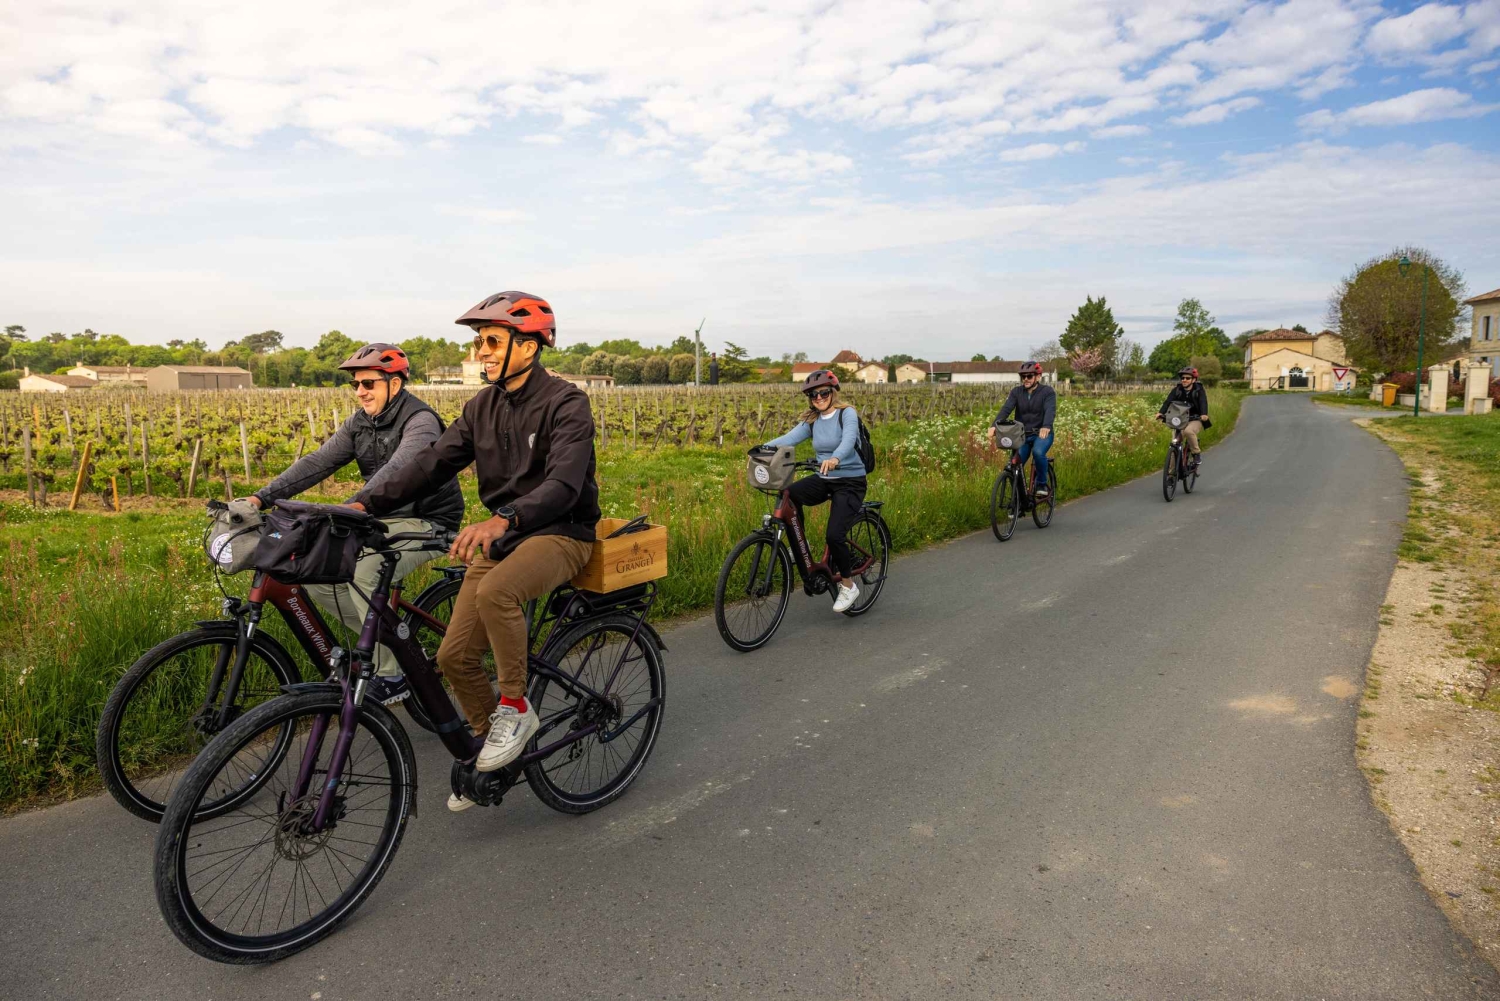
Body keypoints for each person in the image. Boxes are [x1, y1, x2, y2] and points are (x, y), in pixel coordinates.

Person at [350, 291, 601, 812]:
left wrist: (504, 517)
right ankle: (495, 750)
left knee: (497, 591)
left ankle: (516, 707)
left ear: (528, 347)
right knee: (453, 657)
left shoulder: (566, 402)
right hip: (506, 536)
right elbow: (430, 465)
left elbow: (564, 485)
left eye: (491, 341)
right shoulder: (481, 406)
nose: (480, 352)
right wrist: (363, 504)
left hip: (561, 531)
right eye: (478, 343)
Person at [240, 344, 464, 706]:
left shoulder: (420, 421)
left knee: (365, 570)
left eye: (368, 383)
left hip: (427, 519)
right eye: (355, 384)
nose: (360, 391)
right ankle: (393, 644)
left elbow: (400, 469)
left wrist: (354, 507)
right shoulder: (360, 423)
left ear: (395, 383)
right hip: (379, 516)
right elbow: (318, 462)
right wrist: (259, 498)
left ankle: (391, 673)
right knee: (316, 571)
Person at [762, 369, 867, 613]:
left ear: (833, 392)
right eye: (813, 395)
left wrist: (835, 458)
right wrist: (762, 449)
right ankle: (801, 543)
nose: (818, 398)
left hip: (850, 481)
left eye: (823, 393)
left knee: (834, 535)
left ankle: (848, 585)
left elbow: (848, 440)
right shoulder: (813, 420)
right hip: (825, 477)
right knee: (789, 494)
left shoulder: (846, 413)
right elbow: (789, 438)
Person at [987, 361, 1056, 497]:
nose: (1025, 379)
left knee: (1038, 452)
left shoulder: (1047, 392)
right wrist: (994, 426)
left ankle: (1041, 484)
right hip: (1021, 436)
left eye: (1029, 376)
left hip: (1042, 434)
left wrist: (1046, 426)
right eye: (1023, 376)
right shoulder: (1016, 392)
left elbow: (1050, 410)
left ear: (1038, 377)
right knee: (1015, 464)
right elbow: (1006, 409)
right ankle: (1019, 500)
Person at [1157, 367, 1211, 468]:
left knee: (1188, 431)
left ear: (1193, 380)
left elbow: (1203, 402)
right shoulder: (1177, 390)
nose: (1184, 380)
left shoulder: (1199, 390)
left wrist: (1204, 414)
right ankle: (1171, 473)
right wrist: (1161, 413)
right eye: (1182, 378)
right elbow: (1168, 402)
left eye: (1187, 378)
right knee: (1175, 444)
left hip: (1195, 419)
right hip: (1180, 419)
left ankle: (1196, 453)